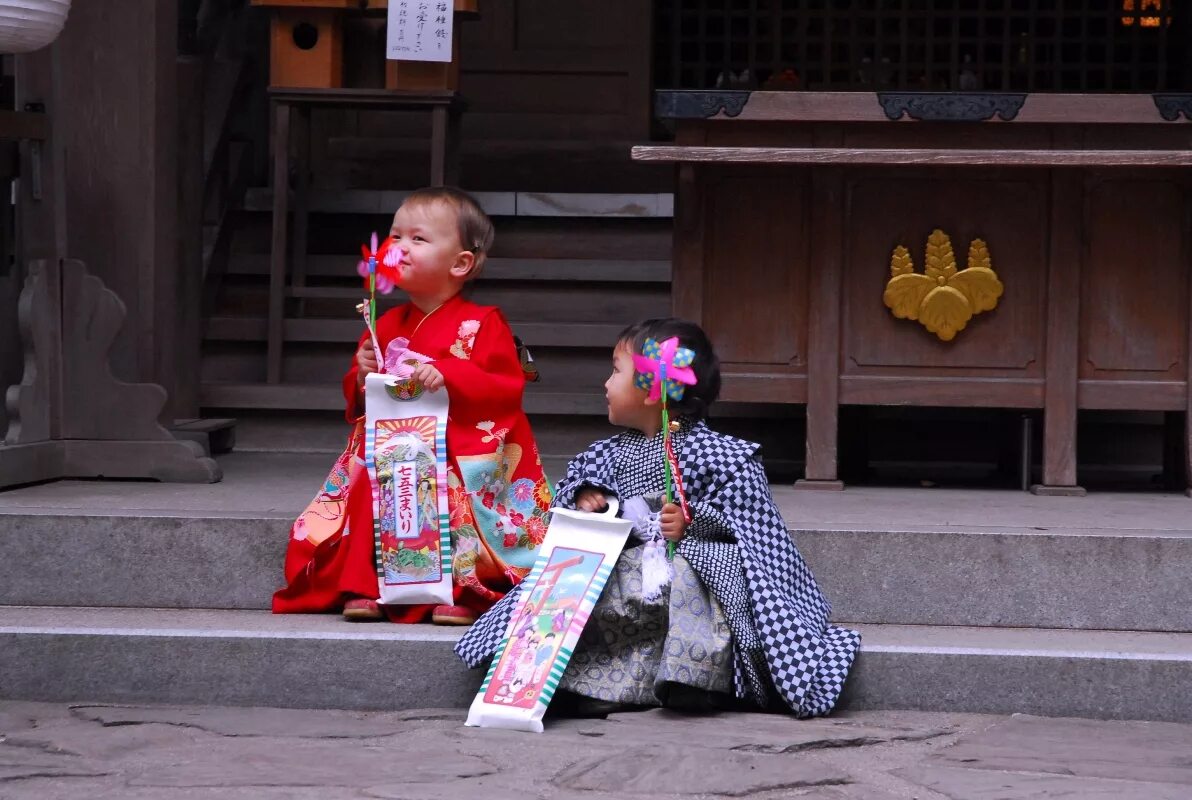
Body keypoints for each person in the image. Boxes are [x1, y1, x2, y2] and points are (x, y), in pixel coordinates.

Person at [455, 318, 859, 716]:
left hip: (694, 564)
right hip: (631, 563)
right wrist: (586, 499)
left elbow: (755, 528)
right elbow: (566, 496)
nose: (606, 383)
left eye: (616, 371)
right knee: (593, 582)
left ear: (653, 389)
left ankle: (694, 680)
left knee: (690, 572)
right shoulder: (604, 454)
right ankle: (600, 684)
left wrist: (693, 521)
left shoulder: (724, 455)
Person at [273, 187, 553, 625]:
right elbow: (364, 396)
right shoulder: (384, 323)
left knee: (448, 491)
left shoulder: (483, 323)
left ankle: (461, 587)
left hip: (455, 450)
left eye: (417, 239)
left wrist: (451, 374)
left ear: (460, 263)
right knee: (370, 481)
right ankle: (365, 585)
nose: (398, 247)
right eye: (394, 236)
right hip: (393, 448)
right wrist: (363, 373)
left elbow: (505, 387)